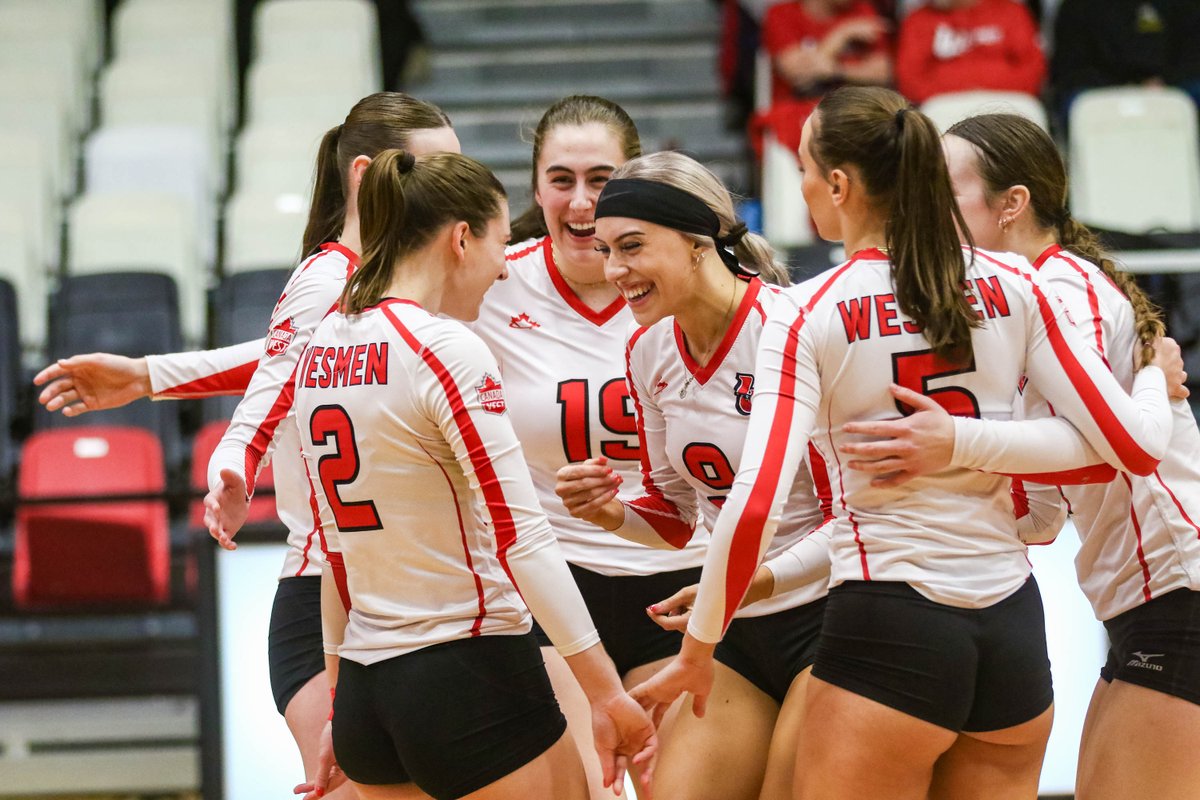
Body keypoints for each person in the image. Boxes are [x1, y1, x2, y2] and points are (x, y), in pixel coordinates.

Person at [630, 85, 1178, 800]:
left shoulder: (806, 311)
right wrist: (1152, 385)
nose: (798, 187)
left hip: (891, 624)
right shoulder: (1016, 283)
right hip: (1012, 632)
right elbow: (1129, 449)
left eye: (802, 169)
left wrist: (699, 649)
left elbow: (754, 501)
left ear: (838, 185)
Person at [35, 92, 460, 800]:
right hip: (330, 591)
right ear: (365, 175)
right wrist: (233, 459)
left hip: (413, 589)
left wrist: (148, 375)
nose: (451, 190)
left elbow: (275, 358)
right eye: (432, 170)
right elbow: (272, 383)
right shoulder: (330, 278)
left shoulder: (416, 277)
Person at [249, 148, 653, 800]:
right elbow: (522, 536)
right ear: (461, 238)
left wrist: (336, 706)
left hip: (366, 691)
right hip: (469, 670)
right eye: (500, 242)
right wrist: (605, 691)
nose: (502, 270)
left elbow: (334, 553)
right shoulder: (443, 348)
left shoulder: (322, 346)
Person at [905, 112, 1200, 800]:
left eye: (946, 191)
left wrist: (953, 451)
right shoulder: (1017, 300)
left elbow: (1122, 448)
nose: (927, 209)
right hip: (1137, 598)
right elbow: (1040, 509)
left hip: (1178, 584)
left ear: (1013, 205)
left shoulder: (1062, 290)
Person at [552, 150, 835, 799]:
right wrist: (612, 512)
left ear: (698, 241)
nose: (613, 270)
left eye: (631, 246)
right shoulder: (647, 349)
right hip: (733, 624)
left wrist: (756, 583)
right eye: (605, 250)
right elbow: (676, 520)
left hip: (831, 617)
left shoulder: (790, 330)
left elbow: (856, 517)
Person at [472, 95, 708, 799]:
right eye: (561, 179)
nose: (581, 203)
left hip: (681, 582)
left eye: (601, 180)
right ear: (536, 187)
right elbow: (340, 341)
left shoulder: (693, 284)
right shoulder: (491, 280)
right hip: (552, 587)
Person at [754, 0, 891, 156]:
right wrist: (842, 34)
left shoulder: (861, 8)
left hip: (855, 114)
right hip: (800, 116)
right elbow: (799, 76)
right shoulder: (781, 13)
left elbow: (884, 72)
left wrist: (835, 70)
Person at [1051, 0, 1200, 128]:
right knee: (1078, 103)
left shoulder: (1185, 4)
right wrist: (1125, 87)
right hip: (1102, 88)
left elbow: (1193, 57)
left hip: (1171, 85)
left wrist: (1165, 82)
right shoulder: (1077, 6)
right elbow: (1069, 67)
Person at [894, 0, 1045, 106]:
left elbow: (1033, 69)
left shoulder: (1011, 11)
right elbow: (909, 80)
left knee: (1029, 111)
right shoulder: (917, 20)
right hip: (943, 104)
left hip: (1008, 100)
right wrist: (965, 90)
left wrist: (984, 89)